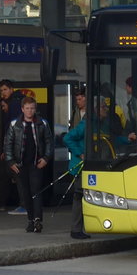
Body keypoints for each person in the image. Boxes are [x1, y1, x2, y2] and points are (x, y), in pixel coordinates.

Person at [3, 95, 53, 232]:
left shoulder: (42, 123)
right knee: (25, 193)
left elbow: (49, 142)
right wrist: (11, 162)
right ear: (22, 109)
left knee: (36, 191)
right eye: (27, 108)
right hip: (20, 165)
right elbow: (8, 144)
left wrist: (46, 158)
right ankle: (30, 220)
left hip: (36, 163)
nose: (30, 111)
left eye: (32, 108)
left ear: (35, 109)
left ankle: (38, 220)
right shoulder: (15, 124)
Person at [63, 87, 89, 239]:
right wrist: (80, 153)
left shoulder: (90, 116)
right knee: (79, 194)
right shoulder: (77, 115)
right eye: (76, 99)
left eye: (80, 99)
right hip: (79, 160)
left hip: (83, 158)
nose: (78, 102)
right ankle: (76, 228)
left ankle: (80, 227)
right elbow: (70, 136)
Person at [0, 79, 24, 212]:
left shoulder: (14, 104)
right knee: (11, 175)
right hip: (17, 146)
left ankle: (21, 204)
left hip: (15, 147)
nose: (3, 93)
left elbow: (11, 129)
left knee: (16, 175)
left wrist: (7, 149)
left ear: (11, 89)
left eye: (5, 89)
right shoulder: (19, 101)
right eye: (1, 90)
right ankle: (2, 202)